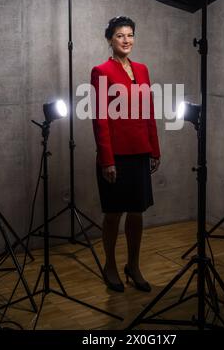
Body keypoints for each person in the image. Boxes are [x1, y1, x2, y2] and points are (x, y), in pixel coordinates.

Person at [90, 16, 160, 292]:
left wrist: (155, 147)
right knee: (113, 214)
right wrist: (107, 159)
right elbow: (100, 118)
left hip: (141, 151)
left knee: (137, 212)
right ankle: (109, 265)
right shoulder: (101, 71)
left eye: (130, 35)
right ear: (110, 39)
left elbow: (149, 111)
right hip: (115, 156)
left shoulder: (142, 70)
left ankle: (133, 265)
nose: (126, 40)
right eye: (120, 35)